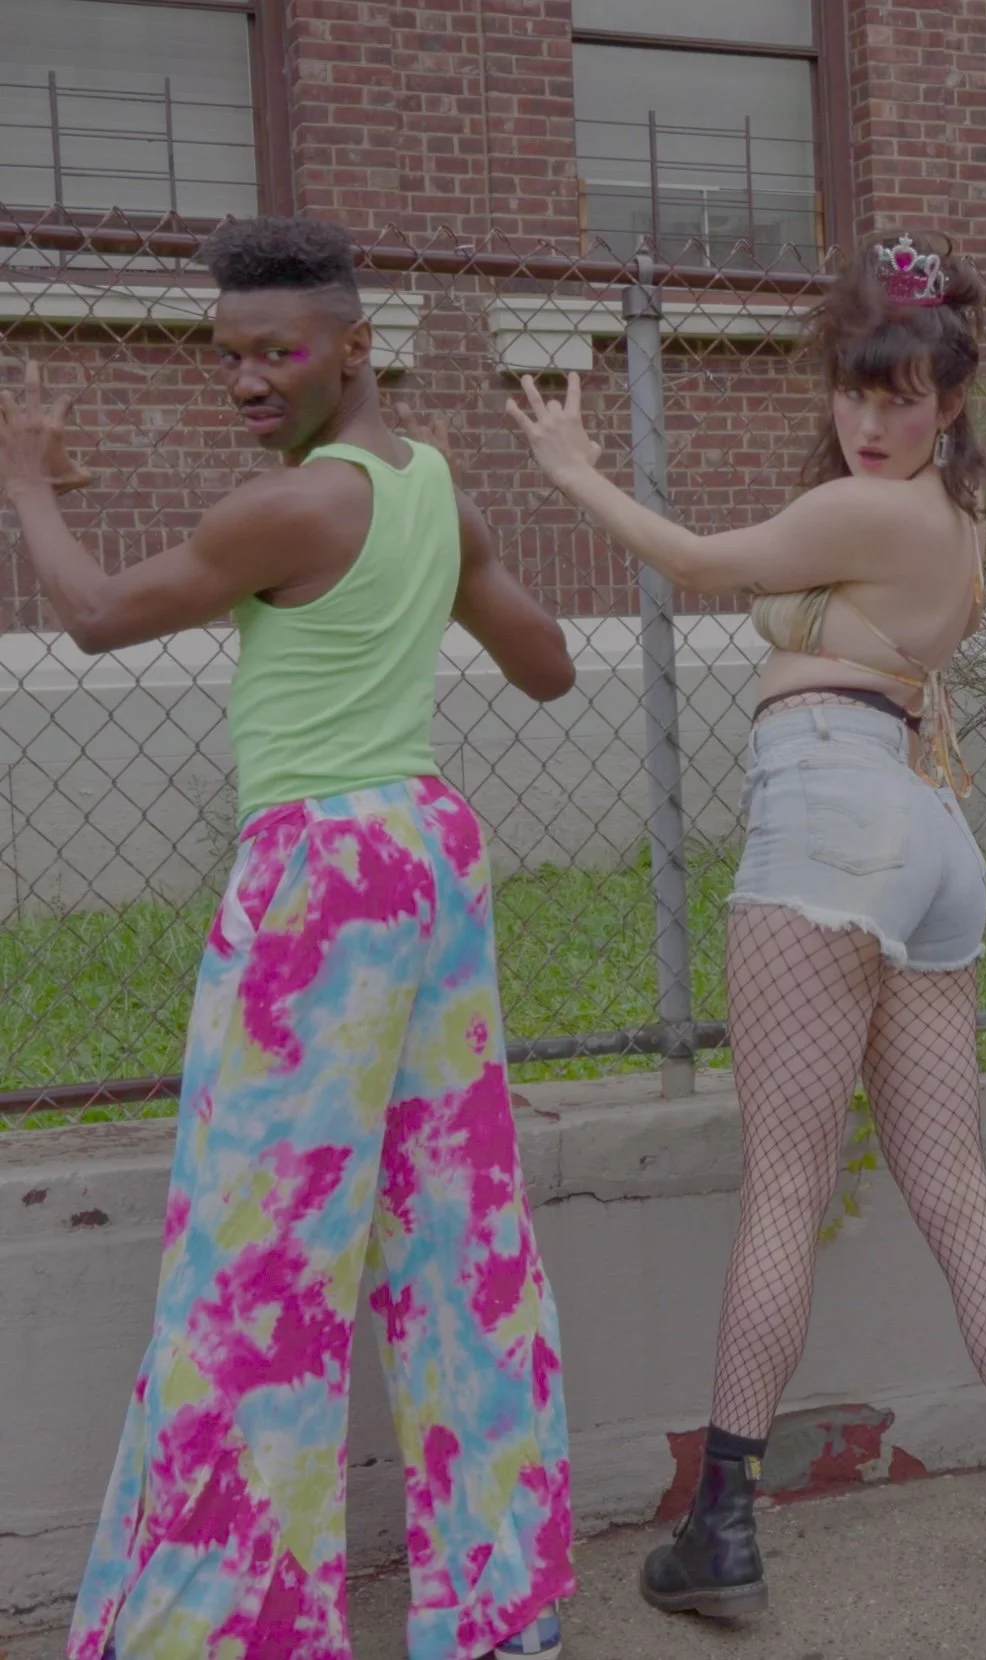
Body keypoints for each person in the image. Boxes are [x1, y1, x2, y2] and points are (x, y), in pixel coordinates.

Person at [0, 216, 577, 1659]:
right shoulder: (429, 485)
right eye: (230, 356)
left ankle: (222, 1630)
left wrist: (22, 483)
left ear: (355, 345)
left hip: (321, 875)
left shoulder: (293, 508)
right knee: (458, 1229)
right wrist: (428, 583)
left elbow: (94, 613)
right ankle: (500, 1603)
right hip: (430, 850)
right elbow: (551, 667)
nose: (249, 379)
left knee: (256, 1254)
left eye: (278, 352)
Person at [505, 232, 986, 1612]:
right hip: (925, 834)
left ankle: (723, 1530)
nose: (871, 421)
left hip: (832, 818)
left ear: (951, 400)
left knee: (782, 1186)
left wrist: (574, 470)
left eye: (902, 397)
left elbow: (698, 560)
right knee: (956, 1188)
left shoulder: (871, 510)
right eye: (853, 390)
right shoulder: (953, 510)